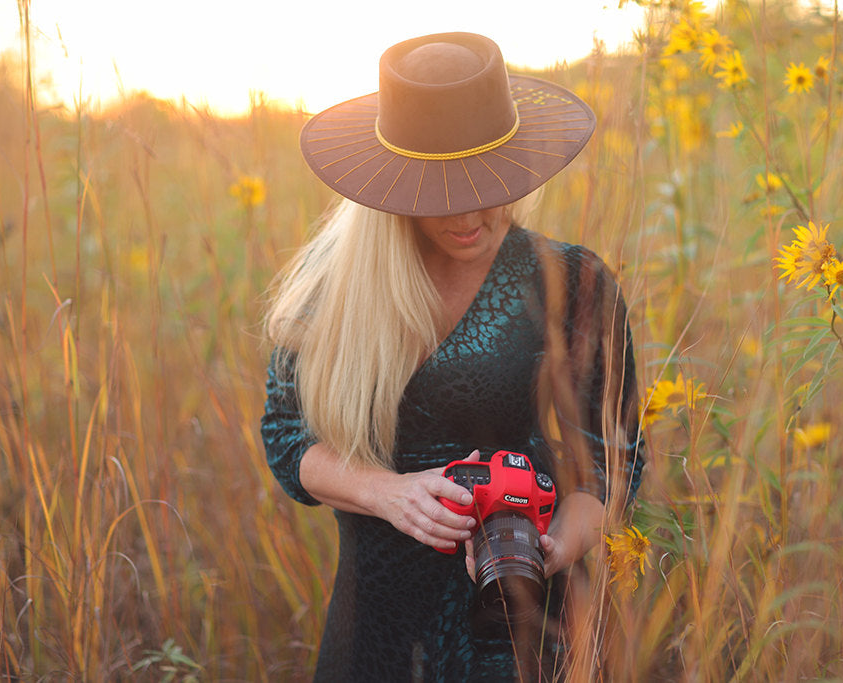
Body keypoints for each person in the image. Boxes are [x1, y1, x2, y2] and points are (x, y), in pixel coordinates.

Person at [261, 32, 645, 682]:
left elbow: (613, 462)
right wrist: (387, 493)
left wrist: (551, 547)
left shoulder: (568, 280)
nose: (471, 213)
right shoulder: (334, 289)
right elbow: (286, 439)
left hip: (522, 629)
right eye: (441, 189)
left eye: (486, 181)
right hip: (376, 624)